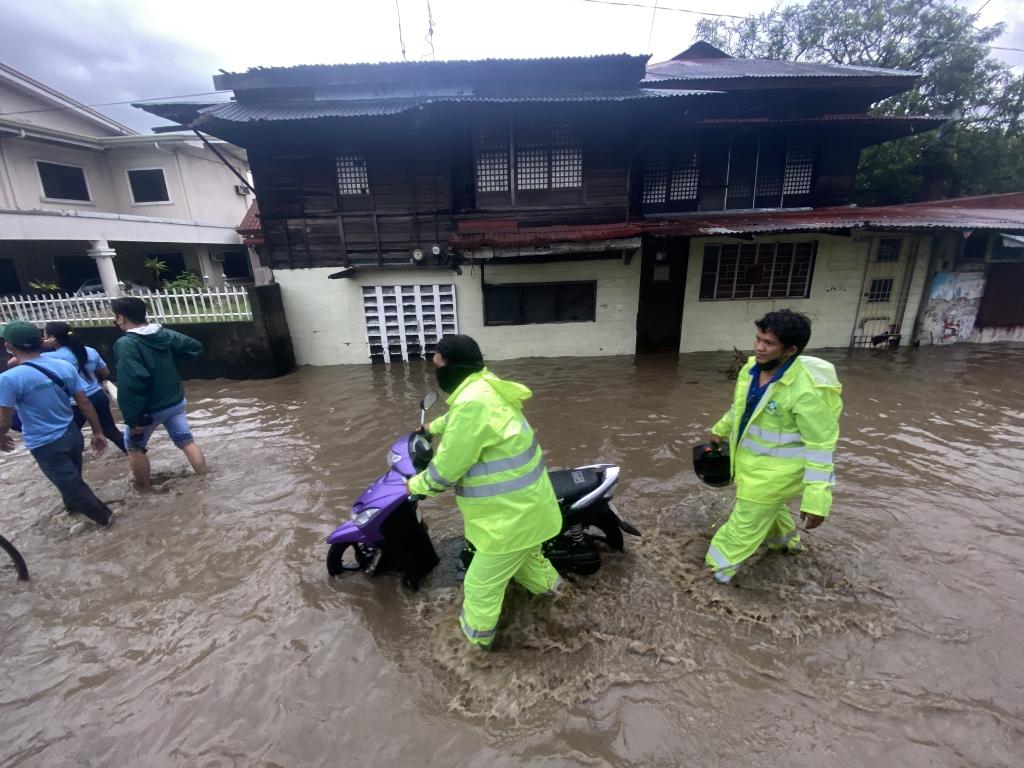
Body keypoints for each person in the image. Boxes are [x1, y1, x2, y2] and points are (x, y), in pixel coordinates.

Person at [407, 334, 562, 649]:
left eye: (438, 366)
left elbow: (446, 470)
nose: (436, 374)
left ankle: (475, 653)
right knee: (531, 564)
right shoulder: (484, 385)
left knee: (480, 586)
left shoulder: (472, 403)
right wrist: (432, 428)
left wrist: (413, 485)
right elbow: (464, 418)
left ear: (454, 367)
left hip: (509, 520)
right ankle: (562, 602)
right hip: (530, 508)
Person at [705, 309, 843, 584]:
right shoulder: (750, 370)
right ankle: (787, 547)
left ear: (790, 350)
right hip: (750, 466)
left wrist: (817, 499)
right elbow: (741, 409)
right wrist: (720, 430)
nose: (759, 347)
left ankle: (713, 577)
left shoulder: (806, 392)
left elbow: (821, 445)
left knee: (739, 531)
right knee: (772, 511)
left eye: (768, 344)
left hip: (774, 477)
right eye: (758, 339)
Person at [0, 321, 113, 526]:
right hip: (72, 434)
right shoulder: (64, 366)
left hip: (45, 442)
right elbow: (84, 402)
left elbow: (4, 418)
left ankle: (108, 520)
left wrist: (0, 437)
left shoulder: (9, 379)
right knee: (72, 480)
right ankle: (72, 512)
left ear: (9, 346)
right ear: (41, 341)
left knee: (73, 487)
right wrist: (97, 432)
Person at [110, 297, 207, 489]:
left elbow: (132, 382)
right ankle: (205, 477)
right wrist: (170, 365)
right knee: (186, 441)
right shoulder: (162, 334)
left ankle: (144, 491)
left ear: (121, 318)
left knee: (134, 448)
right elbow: (194, 347)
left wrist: (132, 418)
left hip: (150, 409)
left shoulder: (126, 344)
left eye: (115, 316)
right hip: (176, 402)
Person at [41, 321, 126, 453]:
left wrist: (40, 346)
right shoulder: (89, 351)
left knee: (70, 435)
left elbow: (16, 361)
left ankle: (73, 463)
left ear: (53, 338)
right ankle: (135, 452)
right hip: (98, 396)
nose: (44, 339)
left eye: (45, 336)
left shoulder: (50, 358)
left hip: (74, 402)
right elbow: (105, 373)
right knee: (110, 431)